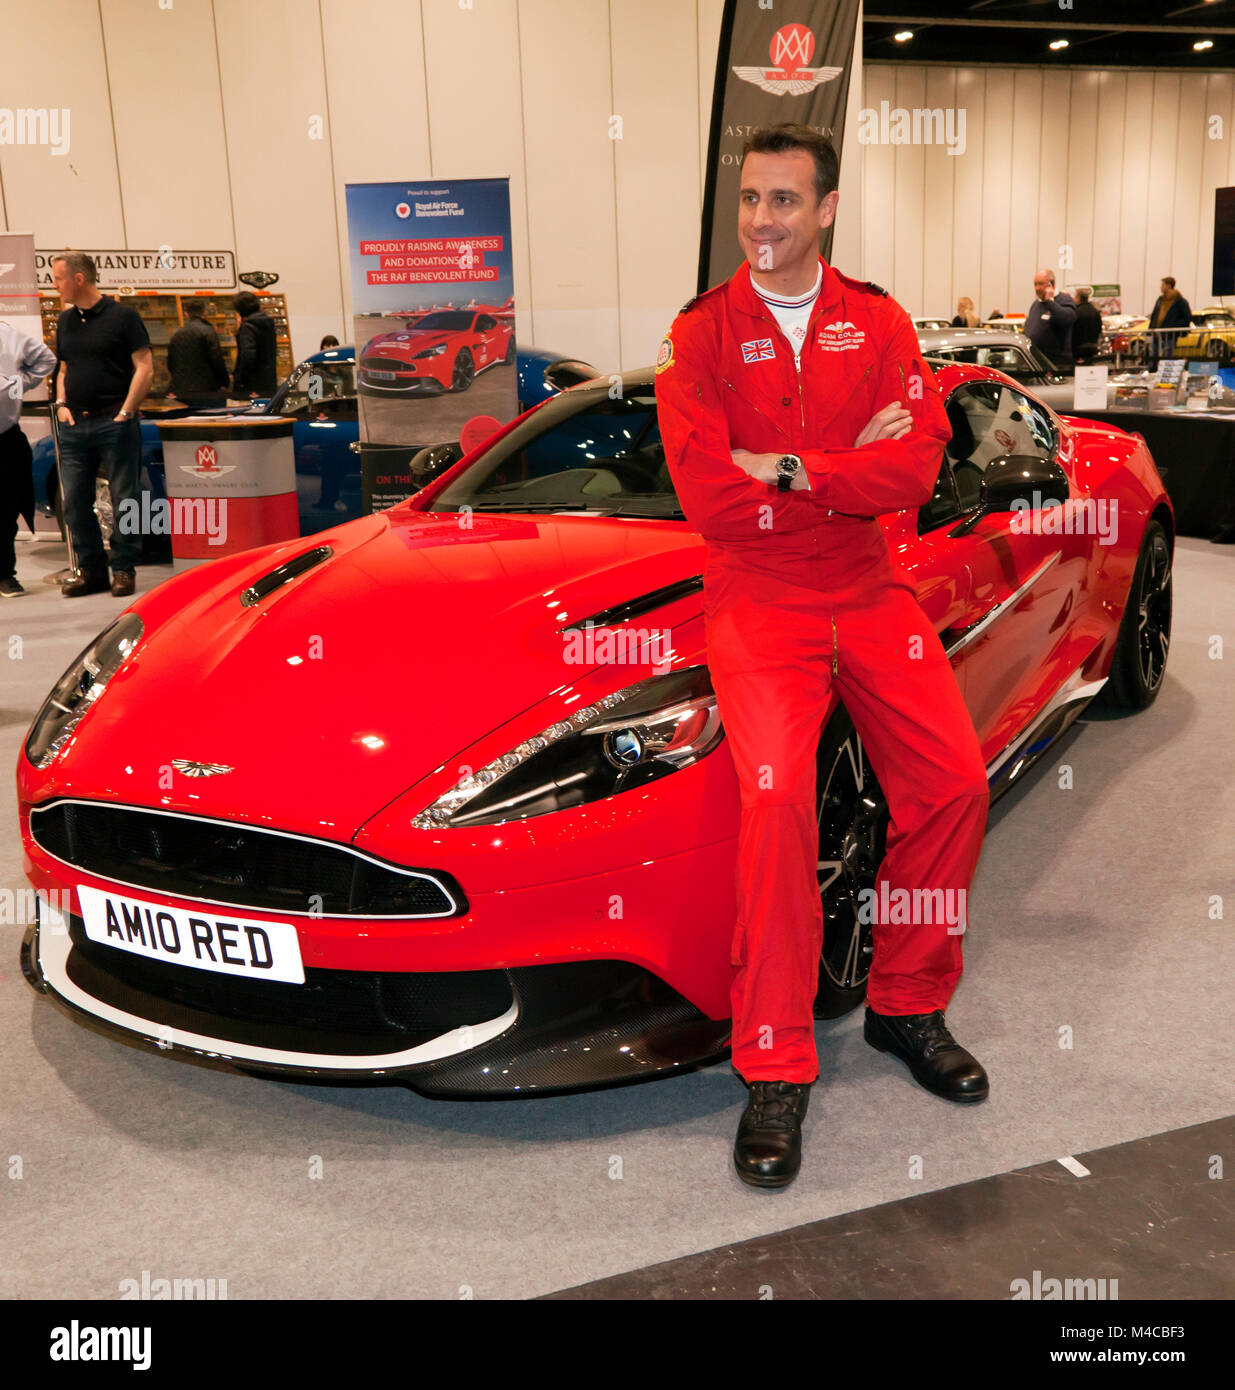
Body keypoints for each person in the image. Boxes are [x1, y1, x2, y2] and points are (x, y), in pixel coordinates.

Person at [657, 123, 990, 1191]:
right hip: (757, 601)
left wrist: (791, 465)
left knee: (950, 785)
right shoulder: (702, 332)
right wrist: (851, 460)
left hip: (864, 583)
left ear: (826, 209)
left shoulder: (880, 320)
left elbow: (915, 467)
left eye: (783, 201)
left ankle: (907, 1002)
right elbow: (709, 493)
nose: (761, 221)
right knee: (777, 807)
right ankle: (774, 1062)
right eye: (750, 200)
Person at [51, 251, 152, 598]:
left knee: (126, 498)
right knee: (75, 503)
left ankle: (123, 569)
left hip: (114, 422)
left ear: (79, 279)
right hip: (74, 424)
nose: (54, 284)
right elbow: (64, 370)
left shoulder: (124, 317)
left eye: (58, 277)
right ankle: (91, 571)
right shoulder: (65, 321)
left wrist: (126, 412)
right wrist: (61, 404)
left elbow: (144, 367)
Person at [0, 320, 57, 596]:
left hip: (5, 437)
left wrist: (18, 383)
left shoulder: (7, 334)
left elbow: (46, 360)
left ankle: (4, 574)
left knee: (6, 509)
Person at [167, 301, 228, 408]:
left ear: (186, 314)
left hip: (181, 389)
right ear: (204, 313)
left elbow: (170, 363)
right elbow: (216, 359)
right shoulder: (208, 331)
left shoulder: (177, 334)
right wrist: (224, 382)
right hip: (207, 389)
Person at [1024, 269, 1076, 370]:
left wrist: (1050, 302)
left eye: (1040, 284)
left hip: (1057, 364)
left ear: (1051, 284)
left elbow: (1067, 319)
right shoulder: (1036, 304)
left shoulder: (1064, 300)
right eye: (1035, 284)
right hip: (1036, 362)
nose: (1037, 288)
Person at [231, 290, 277, 399]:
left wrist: (240, 379)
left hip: (251, 384)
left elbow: (248, 355)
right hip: (268, 381)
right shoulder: (268, 324)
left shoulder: (247, 327)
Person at [1146, 276, 1194, 369]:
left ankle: (1165, 372)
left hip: (1169, 335)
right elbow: (1154, 316)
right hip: (1156, 333)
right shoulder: (1160, 300)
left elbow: (1187, 317)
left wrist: (1173, 327)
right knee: (1153, 355)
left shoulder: (1180, 301)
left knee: (1167, 355)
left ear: (1168, 286)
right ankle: (1153, 371)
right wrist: (1150, 331)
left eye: (1162, 285)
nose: (1161, 287)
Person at [1071, 288, 1103, 365]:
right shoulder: (1095, 312)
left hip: (1078, 349)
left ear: (1078, 298)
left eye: (1075, 297)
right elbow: (1099, 328)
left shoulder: (1076, 312)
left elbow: (1073, 330)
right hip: (1093, 347)